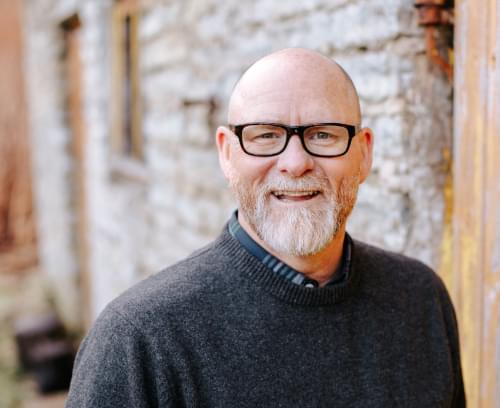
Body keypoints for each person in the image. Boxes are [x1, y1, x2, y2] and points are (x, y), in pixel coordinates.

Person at [66, 48, 465, 407]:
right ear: (226, 153)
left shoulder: (420, 299)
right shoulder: (139, 341)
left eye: (323, 134)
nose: (295, 162)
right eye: (266, 136)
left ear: (364, 153)